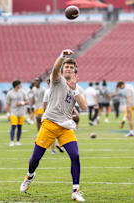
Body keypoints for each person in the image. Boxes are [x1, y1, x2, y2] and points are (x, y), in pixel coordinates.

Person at [20, 49, 87, 202]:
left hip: (65, 127)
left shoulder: (76, 87)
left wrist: (75, 89)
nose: (68, 69)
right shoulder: (57, 80)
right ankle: (30, 176)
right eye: (66, 67)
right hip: (50, 124)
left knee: (75, 156)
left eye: (71, 67)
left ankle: (75, 191)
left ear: (75, 71)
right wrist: (62, 57)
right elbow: (55, 69)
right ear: (63, 70)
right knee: (35, 158)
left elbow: (84, 106)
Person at [43, 79, 65, 155]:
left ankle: (53, 150)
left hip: (51, 114)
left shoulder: (47, 91)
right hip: (59, 114)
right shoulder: (59, 90)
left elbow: (44, 104)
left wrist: (45, 113)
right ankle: (61, 146)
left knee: (53, 133)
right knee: (61, 131)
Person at [6, 80, 29, 146]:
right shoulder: (10, 93)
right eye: (19, 84)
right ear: (17, 85)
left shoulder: (22, 92)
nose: (20, 85)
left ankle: (18, 141)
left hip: (21, 112)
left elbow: (27, 101)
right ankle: (12, 141)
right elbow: (7, 104)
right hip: (13, 112)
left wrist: (22, 103)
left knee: (20, 127)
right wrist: (8, 113)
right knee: (13, 126)